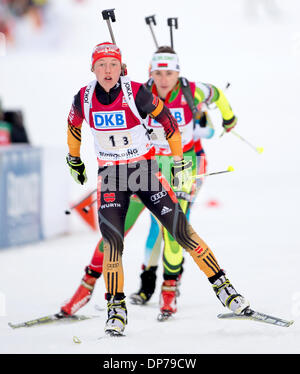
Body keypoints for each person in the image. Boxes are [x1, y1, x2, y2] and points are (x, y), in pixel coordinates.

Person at [65, 41, 249, 336]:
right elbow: (73, 125)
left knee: (180, 231)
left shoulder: (137, 92)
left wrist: (178, 162)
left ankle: (225, 290)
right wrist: (73, 158)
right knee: (113, 242)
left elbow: (170, 125)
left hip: (145, 173)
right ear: (93, 69)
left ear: (122, 67)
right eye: (102, 65)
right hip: (112, 178)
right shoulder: (84, 97)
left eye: (113, 65)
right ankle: (116, 309)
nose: (108, 71)